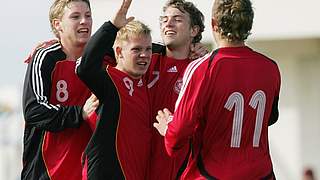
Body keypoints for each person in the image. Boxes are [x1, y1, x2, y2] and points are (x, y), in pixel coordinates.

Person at [154, 0, 281, 179]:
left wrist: (169, 129)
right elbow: (270, 118)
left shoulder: (203, 68)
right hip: (262, 174)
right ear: (249, 24)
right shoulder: (270, 67)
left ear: (214, 24)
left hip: (211, 174)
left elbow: (178, 136)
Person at [76, 0, 153, 179]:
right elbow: (85, 67)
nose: (145, 55)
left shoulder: (145, 82)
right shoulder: (109, 80)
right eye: (137, 50)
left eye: (148, 49)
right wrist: (111, 27)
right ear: (118, 52)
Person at [22, 0, 98, 179]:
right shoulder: (46, 56)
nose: (84, 21)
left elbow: (136, 49)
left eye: (88, 16)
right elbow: (34, 110)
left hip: (87, 172)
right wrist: (80, 114)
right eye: (75, 17)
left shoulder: (103, 57)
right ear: (58, 24)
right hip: (47, 172)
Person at [146, 0, 206, 179]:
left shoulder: (203, 68)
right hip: (143, 167)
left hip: (185, 170)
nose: (168, 24)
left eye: (177, 19)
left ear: (193, 31)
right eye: (164, 19)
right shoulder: (146, 58)